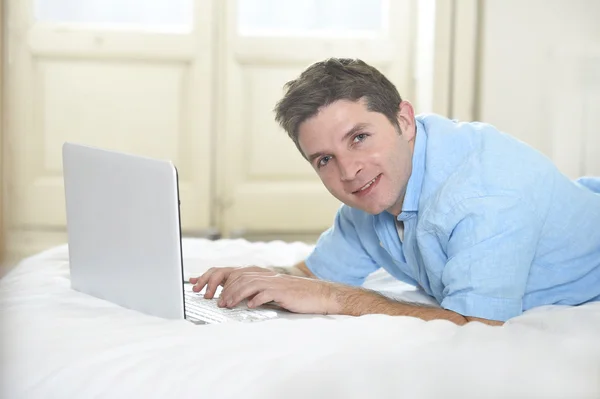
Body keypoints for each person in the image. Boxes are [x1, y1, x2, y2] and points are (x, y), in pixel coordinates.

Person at [189, 58, 600, 326]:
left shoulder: (485, 195)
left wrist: (333, 297)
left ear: (404, 120)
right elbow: (310, 276)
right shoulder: (372, 191)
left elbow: (478, 326)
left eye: (359, 137)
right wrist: (251, 276)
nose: (349, 171)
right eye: (324, 159)